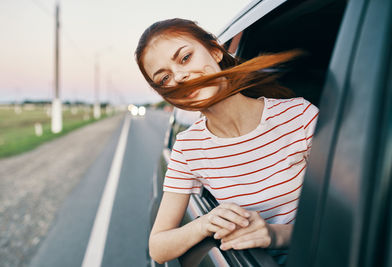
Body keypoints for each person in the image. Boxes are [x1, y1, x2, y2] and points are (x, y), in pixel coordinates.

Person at [135, 18, 319, 264]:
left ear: (215, 50)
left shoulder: (299, 116)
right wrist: (206, 222)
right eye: (164, 79)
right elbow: (158, 247)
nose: (179, 76)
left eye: (185, 58)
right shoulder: (187, 148)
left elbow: (350, 219)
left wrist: (275, 235)